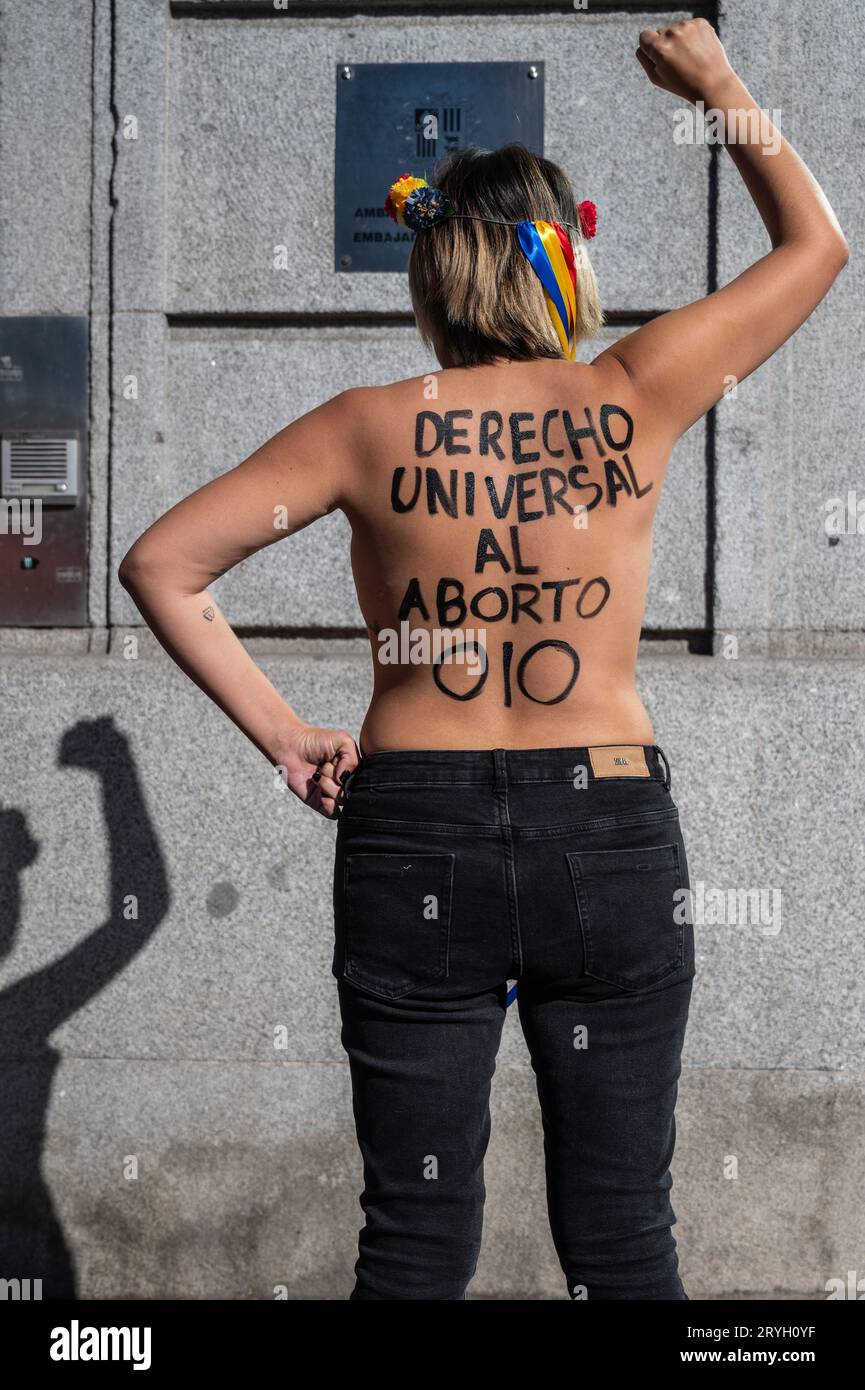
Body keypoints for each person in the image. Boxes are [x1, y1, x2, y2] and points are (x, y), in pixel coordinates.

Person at [119, 19, 848, 1300]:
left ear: (431, 281)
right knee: (624, 1240)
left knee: (412, 1240)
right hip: (607, 820)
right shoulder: (636, 391)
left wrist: (287, 733)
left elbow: (161, 564)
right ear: (558, 266)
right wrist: (719, 87)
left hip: (415, 828)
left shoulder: (363, 430)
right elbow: (816, 247)